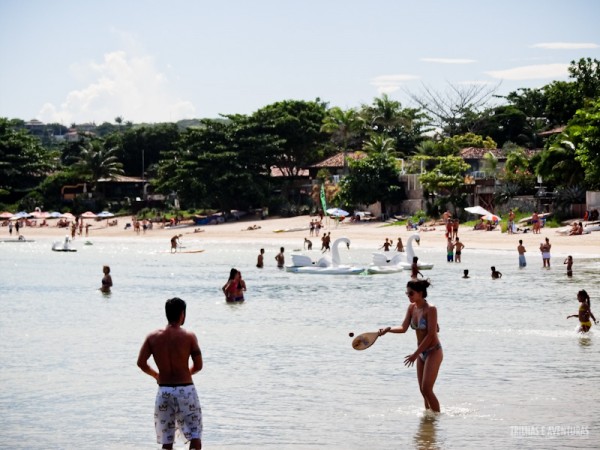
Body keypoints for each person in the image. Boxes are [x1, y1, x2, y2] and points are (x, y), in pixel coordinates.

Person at [137, 297, 203, 449]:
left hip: (164, 391)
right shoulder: (189, 337)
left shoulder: (152, 337)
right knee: (195, 435)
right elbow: (198, 366)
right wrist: (187, 373)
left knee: (167, 440)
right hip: (186, 389)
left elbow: (141, 363)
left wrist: (156, 375)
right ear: (182, 314)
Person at [379, 279, 442, 413]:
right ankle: (428, 425)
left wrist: (414, 354)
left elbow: (431, 335)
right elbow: (403, 328)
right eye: (407, 293)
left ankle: (437, 419)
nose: (408, 296)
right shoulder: (412, 308)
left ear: (420, 293)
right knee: (422, 391)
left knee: (427, 389)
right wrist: (388, 329)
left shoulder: (431, 309)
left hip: (433, 351)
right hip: (421, 353)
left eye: (411, 293)